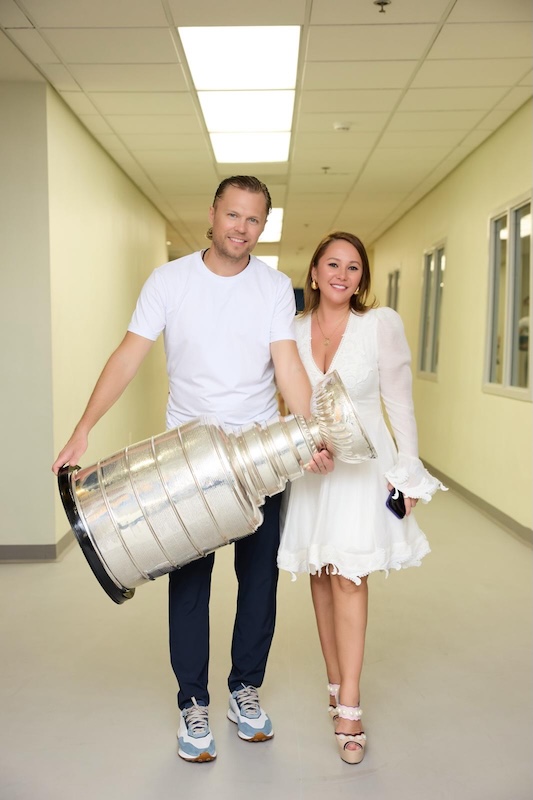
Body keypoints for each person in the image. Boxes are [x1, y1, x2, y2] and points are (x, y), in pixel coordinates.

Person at [52, 176, 333, 763]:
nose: (241, 228)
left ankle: (244, 690)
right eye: (233, 215)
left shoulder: (274, 287)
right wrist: (84, 427)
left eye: (254, 220)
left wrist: (312, 431)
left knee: (258, 582)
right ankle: (192, 700)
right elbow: (128, 355)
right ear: (212, 213)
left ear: (263, 226)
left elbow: (287, 366)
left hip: (259, 458)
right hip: (187, 462)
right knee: (190, 581)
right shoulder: (170, 281)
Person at [277, 231, 445, 765]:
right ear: (314, 272)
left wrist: (408, 471)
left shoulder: (380, 326)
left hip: (363, 468)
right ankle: (334, 684)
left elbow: (400, 401)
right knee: (323, 576)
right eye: (333, 264)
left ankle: (350, 703)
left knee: (351, 576)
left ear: (361, 278)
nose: (342, 275)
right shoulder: (293, 328)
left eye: (353, 268)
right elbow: (286, 402)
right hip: (313, 469)